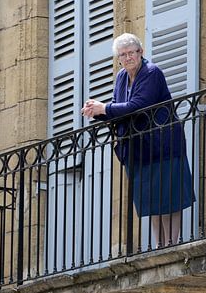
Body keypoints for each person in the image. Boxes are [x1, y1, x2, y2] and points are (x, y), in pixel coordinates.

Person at [81, 33, 195, 247]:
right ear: (119, 59)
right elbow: (120, 109)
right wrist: (96, 111)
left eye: (131, 52)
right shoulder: (122, 77)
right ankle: (160, 246)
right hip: (139, 149)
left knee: (169, 198)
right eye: (122, 55)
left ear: (141, 53)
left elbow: (138, 105)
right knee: (152, 201)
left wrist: (104, 107)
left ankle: (171, 244)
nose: (127, 58)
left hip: (163, 144)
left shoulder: (152, 72)